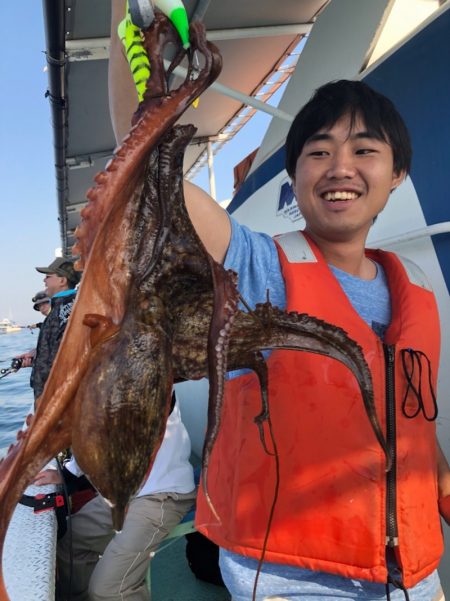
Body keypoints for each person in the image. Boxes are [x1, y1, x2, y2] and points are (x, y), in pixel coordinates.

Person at [108, 8, 450, 599]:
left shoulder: (414, 287)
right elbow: (146, 175)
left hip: (414, 575)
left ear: (397, 174)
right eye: (318, 152)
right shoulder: (259, 268)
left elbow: (415, 428)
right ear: (295, 174)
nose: (340, 167)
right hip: (293, 580)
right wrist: (123, 16)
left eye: (365, 150)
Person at [35, 390, 196, 601]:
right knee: (69, 545)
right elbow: (92, 430)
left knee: (109, 589)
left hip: (162, 492)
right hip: (123, 492)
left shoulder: (151, 371)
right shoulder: (100, 378)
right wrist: (68, 474)